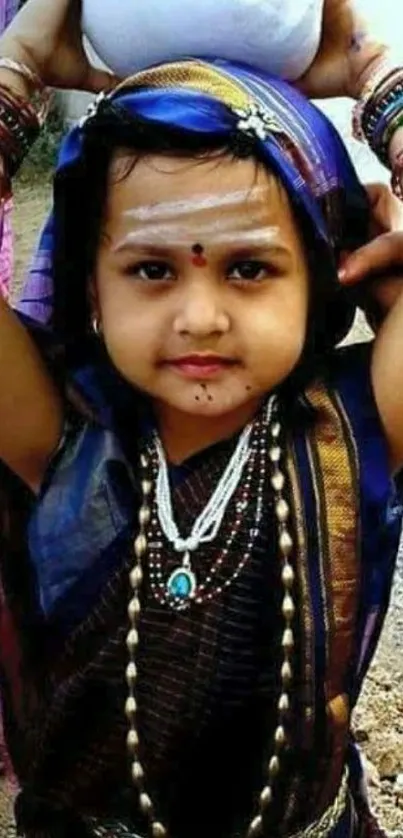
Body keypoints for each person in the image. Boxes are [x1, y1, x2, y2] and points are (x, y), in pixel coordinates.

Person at [0, 2, 403, 838]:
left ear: (326, 275)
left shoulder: (357, 430)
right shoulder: (56, 434)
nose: (200, 317)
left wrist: (372, 71)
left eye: (250, 268)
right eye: (150, 268)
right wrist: (20, 64)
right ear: (88, 291)